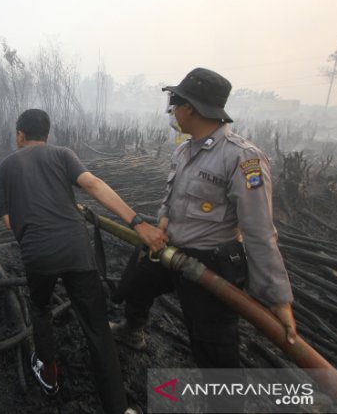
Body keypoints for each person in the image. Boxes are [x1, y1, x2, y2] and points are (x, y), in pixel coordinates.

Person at [111, 67, 296, 371]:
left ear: (190, 109)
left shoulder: (242, 158)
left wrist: (278, 299)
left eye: (175, 104)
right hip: (173, 251)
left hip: (211, 265)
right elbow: (172, 197)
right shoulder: (185, 151)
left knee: (213, 349)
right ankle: (133, 331)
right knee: (137, 283)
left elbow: (260, 231)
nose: (171, 112)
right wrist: (164, 219)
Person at [0, 109, 166, 414]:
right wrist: (137, 222)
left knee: (40, 308)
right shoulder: (63, 154)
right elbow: (93, 185)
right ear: (46, 134)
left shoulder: (6, 166)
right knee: (98, 327)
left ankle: (49, 376)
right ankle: (119, 408)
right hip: (76, 250)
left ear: (20, 134)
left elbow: (8, 219)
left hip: (38, 255)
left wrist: (31, 226)